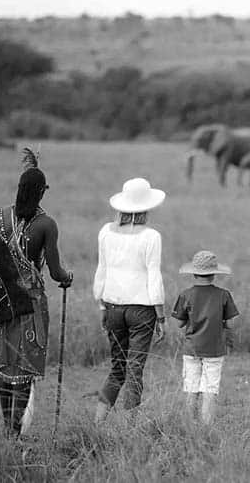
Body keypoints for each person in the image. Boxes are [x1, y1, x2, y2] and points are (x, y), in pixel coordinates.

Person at [0, 148, 73, 438]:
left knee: (6, 364)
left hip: (3, 303)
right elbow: (56, 272)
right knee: (26, 366)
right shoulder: (46, 224)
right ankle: (16, 433)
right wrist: (68, 278)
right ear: (41, 193)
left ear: (20, 189)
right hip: (32, 305)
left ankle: (8, 429)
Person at [92, 178, 166, 422]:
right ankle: (130, 425)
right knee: (135, 367)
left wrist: (101, 305)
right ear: (146, 208)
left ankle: (98, 421)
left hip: (112, 306)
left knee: (118, 366)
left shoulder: (105, 232)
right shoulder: (151, 236)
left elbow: (101, 270)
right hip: (142, 309)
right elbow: (153, 276)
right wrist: (161, 315)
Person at [171, 251, 239, 425]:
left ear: (194, 273)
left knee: (191, 387)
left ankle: (190, 424)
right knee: (210, 388)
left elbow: (178, 323)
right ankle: (207, 426)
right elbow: (231, 324)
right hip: (215, 349)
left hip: (191, 348)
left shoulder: (186, 295)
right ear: (214, 274)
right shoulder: (223, 295)